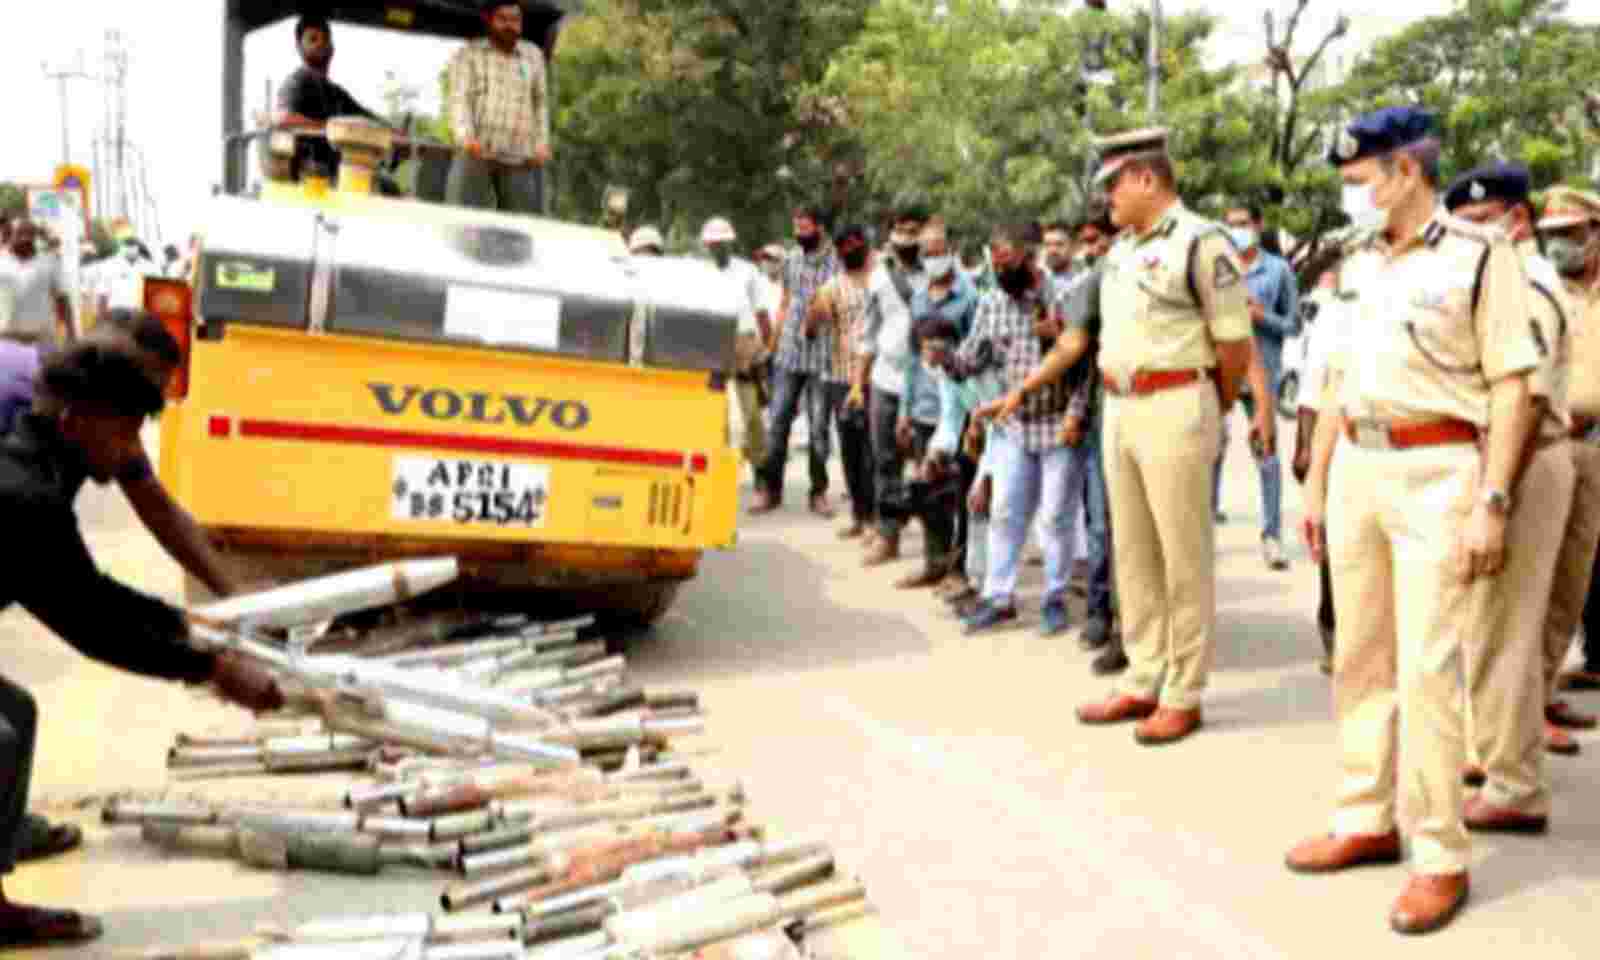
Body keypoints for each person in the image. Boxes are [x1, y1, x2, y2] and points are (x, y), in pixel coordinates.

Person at [1287, 107, 1541, 935]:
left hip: (1440, 471)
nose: (1352, 196)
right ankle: (1366, 816)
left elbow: (1511, 384)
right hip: (1358, 461)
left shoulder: (1480, 256)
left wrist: (1494, 501)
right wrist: (1318, 484)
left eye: (1360, 180)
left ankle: (1440, 854)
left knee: (1430, 670)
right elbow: (1331, 378)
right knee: (1359, 659)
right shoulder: (1357, 262)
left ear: (1405, 171)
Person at [0, 337, 283, 947]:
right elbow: (94, 627)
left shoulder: (36, 468)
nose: (131, 452)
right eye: (124, 434)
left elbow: (90, 593)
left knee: (14, 712)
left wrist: (188, 627)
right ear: (75, 421)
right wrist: (211, 668)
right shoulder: (26, 495)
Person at [1069, 128, 1253, 745]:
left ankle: (1184, 689)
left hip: (1176, 400)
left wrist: (1211, 405)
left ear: (1147, 179)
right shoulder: (1120, 251)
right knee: (1133, 552)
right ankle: (1143, 674)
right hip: (1119, 405)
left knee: (1183, 556)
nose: (1106, 200)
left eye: (1114, 184)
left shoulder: (1202, 243)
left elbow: (1234, 343)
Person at [1448, 165, 1589, 785]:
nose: (1470, 235)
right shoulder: (1519, 276)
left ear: (1516, 220)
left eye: (1482, 222)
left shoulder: (1524, 284)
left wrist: (1495, 495)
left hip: (1528, 457)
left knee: (1503, 625)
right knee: (1497, 620)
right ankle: (1493, 751)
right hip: (1532, 455)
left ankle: (1510, 778)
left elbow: (1527, 401)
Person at [960, 222, 1077, 636]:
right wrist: (948, 359)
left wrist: (1076, 414)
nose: (1001, 270)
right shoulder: (992, 301)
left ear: (1029, 256)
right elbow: (970, 356)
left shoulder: (1062, 297)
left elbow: (1082, 364)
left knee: (1055, 517)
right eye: (996, 263)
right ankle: (998, 596)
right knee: (1005, 512)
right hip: (1012, 423)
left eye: (1008, 262)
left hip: (1057, 422)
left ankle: (1054, 596)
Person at [1215, 204, 1299, 569]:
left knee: (1266, 454)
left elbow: (1293, 324)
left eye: (1243, 223)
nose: (1237, 230)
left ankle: (1272, 535)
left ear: (1257, 225)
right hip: (1220, 371)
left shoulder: (1278, 270)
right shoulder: (1218, 266)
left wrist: (1261, 316)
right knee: (1209, 448)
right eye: (1231, 224)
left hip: (1262, 374)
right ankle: (1206, 523)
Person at [751, 206, 840, 517]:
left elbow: (839, 305)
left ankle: (818, 492)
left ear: (820, 229)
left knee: (818, 428)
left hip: (823, 356)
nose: (799, 234)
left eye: (805, 228)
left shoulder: (836, 262)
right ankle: (769, 490)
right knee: (777, 422)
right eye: (796, 228)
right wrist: (771, 347)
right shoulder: (791, 260)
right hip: (788, 353)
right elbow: (785, 302)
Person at [1546, 191, 1600, 696]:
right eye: (1553, 235)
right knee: (1559, 567)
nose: (1560, 245)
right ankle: (1537, 693)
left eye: (1571, 232)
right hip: (1558, 442)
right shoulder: (1543, 289)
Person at [859, 208, 930, 566]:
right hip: (886, 380)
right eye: (900, 230)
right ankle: (888, 535)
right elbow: (868, 334)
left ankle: (936, 546)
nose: (906, 237)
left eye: (913, 230)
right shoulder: (878, 278)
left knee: (928, 465)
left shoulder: (938, 272)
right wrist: (859, 384)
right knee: (885, 461)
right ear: (890, 235)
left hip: (926, 387)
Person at [1292, 269, 1354, 676]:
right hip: (1336, 439)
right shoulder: (1334, 314)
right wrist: (1304, 447)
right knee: (1333, 545)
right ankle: (1334, 633)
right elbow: (1312, 388)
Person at [446, 1, 552, 215]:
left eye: (515, 20)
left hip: (520, 158)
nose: (510, 26)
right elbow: (460, 99)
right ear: (490, 21)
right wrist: (466, 137)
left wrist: (541, 144)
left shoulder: (533, 56)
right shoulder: (470, 54)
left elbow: (540, 103)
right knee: (463, 222)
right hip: (477, 153)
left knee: (519, 228)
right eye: (503, 19)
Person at [810, 224, 876, 540]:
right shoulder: (832, 287)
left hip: (877, 378)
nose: (849, 250)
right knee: (850, 449)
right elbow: (812, 325)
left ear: (864, 246)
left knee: (873, 449)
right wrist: (815, 313)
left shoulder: (881, 282)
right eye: (843, 246)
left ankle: (876, 518)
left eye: (854, 244)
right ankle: (860, 516)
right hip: (841, 377)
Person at [273, 14, 393, 182]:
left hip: (340, 177)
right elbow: (283, 118)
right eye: (313, 39)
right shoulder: (297, 82)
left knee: (387, 186)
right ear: (299, 48)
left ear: (333, 47)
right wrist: (332, 129)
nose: (321, 43)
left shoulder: (336, 93)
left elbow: (367, 119)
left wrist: (396, 134)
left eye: (325, 39)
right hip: (309, 178)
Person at [703, 217, 774, 485]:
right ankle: (715, 473)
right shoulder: (700, 272)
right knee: (714, 413)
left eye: (723, 243)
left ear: (730, 243)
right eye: (714, 244)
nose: (719, 248)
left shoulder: (747, 271)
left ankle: (761, 476)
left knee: (752, 412)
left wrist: (766, 348)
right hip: (711, 344)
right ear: (707, 245)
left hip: (745, 344)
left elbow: (762, 312)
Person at [0, 219, 73, 349]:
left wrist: (71, 333)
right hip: (6, 342)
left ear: (35, 236)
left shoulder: (50, 261)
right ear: (9, 234)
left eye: (29, 233)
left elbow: (63, 298)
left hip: (42, 341)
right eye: (20, 233)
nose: (25, 238)